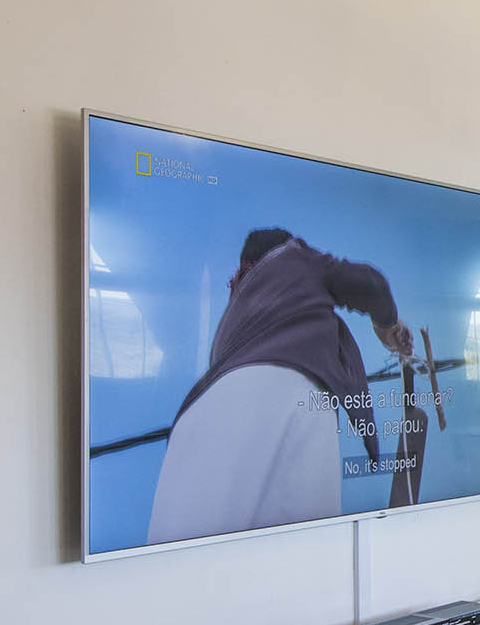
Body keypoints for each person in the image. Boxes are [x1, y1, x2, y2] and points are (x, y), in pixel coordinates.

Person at [147, 229, 413, 545]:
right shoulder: (297, 258)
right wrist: (389, 326)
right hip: (287, 397)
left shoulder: (233, 320)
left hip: (193, 420)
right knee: (305, 554)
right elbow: (372, 285)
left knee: (181, 558)